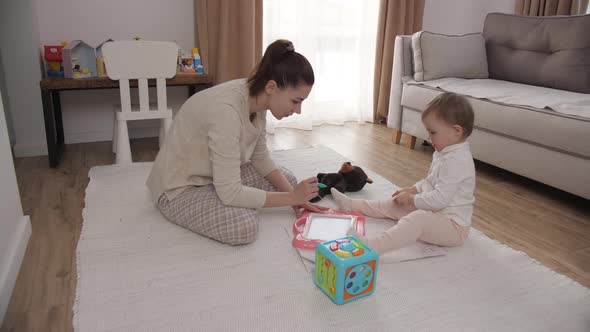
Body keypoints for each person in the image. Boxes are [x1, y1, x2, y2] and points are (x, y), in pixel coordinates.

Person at [147, 39, 326, 245]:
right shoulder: (226, 111)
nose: (298, 110)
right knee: (243, 227)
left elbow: (261, 159)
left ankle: (233, 197)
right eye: (295, 101)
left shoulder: (258, 98)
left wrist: (296, 197)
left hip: (212, 176)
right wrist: (291, 198)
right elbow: (230, 194)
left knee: (288, 181)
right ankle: (227, 201)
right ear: (271, 86)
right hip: (179, 189)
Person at [332, 92, 476, 254]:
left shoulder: (457, 161)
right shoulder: (444, 152)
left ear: (456, 131)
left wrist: (412, 199)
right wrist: (412, 190)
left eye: (433, 133)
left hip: (453, 227)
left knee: (417, 220)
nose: (429, 138)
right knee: (395, 204)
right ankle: (352, 205)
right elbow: (430, 182)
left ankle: (373, 246)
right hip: (436, 213)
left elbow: (440, 199)